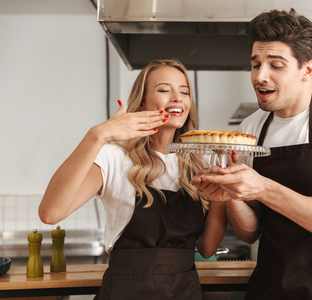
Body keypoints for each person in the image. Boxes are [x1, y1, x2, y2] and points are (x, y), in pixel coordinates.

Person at [194, 9, 312, 300]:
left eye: (276, 65)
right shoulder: (250, 128)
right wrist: (233, 194)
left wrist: (264, 187)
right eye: (255, 65)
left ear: (307, 69)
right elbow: (250, 231)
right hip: (270, 288)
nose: (260, 76)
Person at [39, 59, 227, 299]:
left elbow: (207, 248)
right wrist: (97, 135)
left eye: (184, 92)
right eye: (164, 90)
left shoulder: (203, 164)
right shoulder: (114, 158)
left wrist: (222, 197)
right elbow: (50, 213)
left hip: (184, 291)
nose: (177, 98)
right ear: (142, 103)